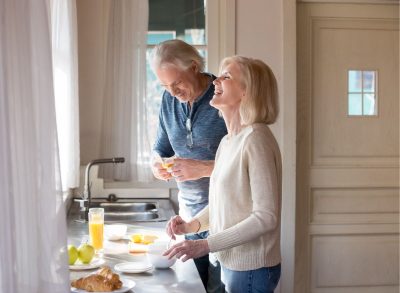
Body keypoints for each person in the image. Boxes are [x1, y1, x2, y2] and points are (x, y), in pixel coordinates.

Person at [163, 56, 282, 293]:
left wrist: (207, 245)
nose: (216, 80)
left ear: (248, 91)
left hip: (251, 269)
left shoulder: (256, 138)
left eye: (226, 76)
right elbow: (223, 202)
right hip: (232, 265)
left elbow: (266, 217)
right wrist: (191, 226)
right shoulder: (228, 141)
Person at [150, 39, 227, 292]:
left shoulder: (223, 96)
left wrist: (204, 168)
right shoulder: (169, 100)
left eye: (177, 83)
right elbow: (161, 148)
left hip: (225, 217)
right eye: (165, 85)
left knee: (217, 289)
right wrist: (157, 163)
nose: (173, 92)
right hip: (188, 218)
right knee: (191, 288)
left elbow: (245, 162)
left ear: (194, 67)